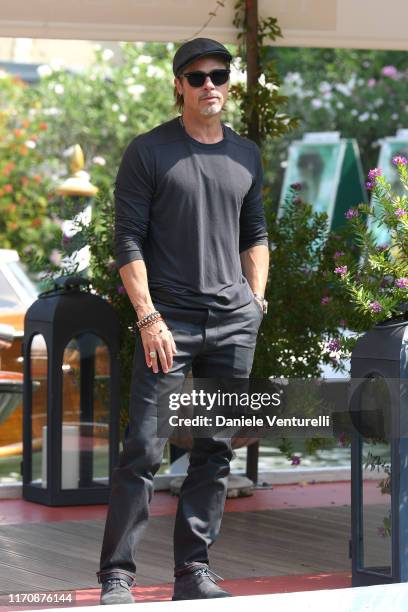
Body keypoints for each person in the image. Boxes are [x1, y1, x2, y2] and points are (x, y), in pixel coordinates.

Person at [97, 37, 269, 605]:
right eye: (197, 77)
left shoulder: (245, 154)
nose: (210, 86)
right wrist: (148, 318)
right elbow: (127, 241)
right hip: (170, 323)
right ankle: (118, 575)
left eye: (219, 75)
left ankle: (193, 571)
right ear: (179, 85)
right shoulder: (149, 152)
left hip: (231, 322)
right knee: (144, 449)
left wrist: (256, 303)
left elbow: (255, 235)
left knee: (215, 449)